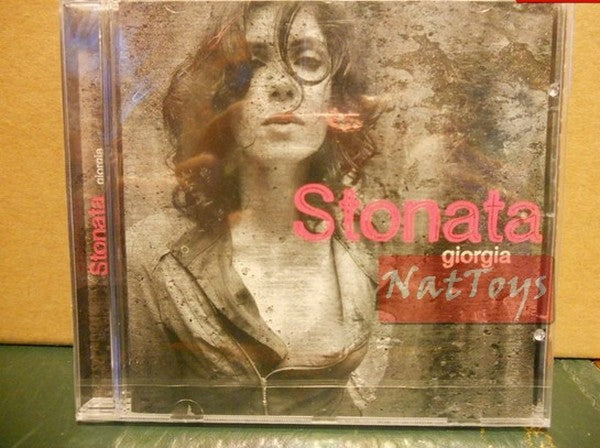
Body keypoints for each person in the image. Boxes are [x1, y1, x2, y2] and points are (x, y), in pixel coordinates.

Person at [127, 1, 387, 417]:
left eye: (307, 61)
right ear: (220, 96)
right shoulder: (154, 257)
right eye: (253, 64)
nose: (283, 85)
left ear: (335, 94)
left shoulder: (371, 245)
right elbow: (144, 421)